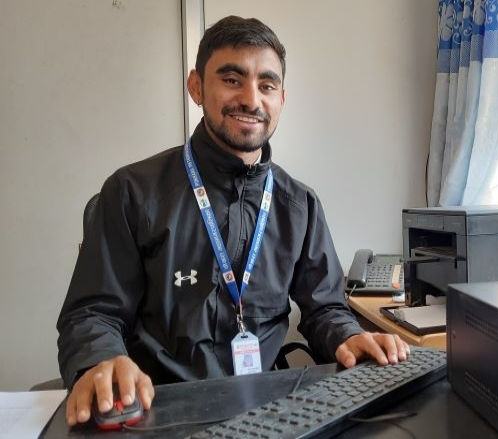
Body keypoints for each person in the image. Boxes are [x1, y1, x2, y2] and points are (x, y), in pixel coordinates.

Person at [57, 15, 409, 427]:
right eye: (232, 79)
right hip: (159, 409)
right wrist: (102, 360)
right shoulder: (132, 192)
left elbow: (324, 308)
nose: (251, 99)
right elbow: (93, 313)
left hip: (270, 410)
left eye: (267, 85)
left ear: (281, 98)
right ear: (196, 87)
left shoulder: (300, 204)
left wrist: (348, 337)